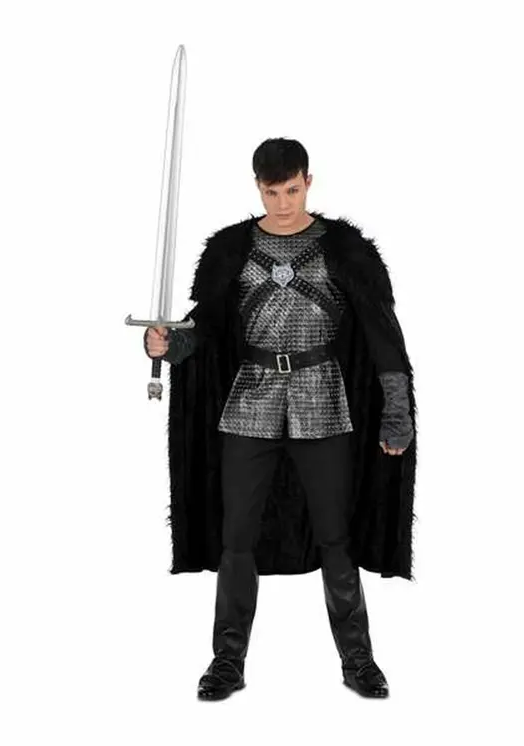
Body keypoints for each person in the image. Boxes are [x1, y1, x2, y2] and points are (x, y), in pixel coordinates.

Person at [143, 137, 417, 700]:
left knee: (336, 537)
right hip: (250, 401)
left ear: (308, 182)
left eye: (292, 190)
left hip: (324, 401)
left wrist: (397, 412)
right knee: (237, 537)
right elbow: (205, 332)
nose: (284, 203)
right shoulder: (231, 249)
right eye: (272, 192)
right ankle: (227, 661)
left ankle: (358, 660)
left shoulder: (344, 249)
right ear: (258, 188)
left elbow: (382, 336)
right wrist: (167, 345)